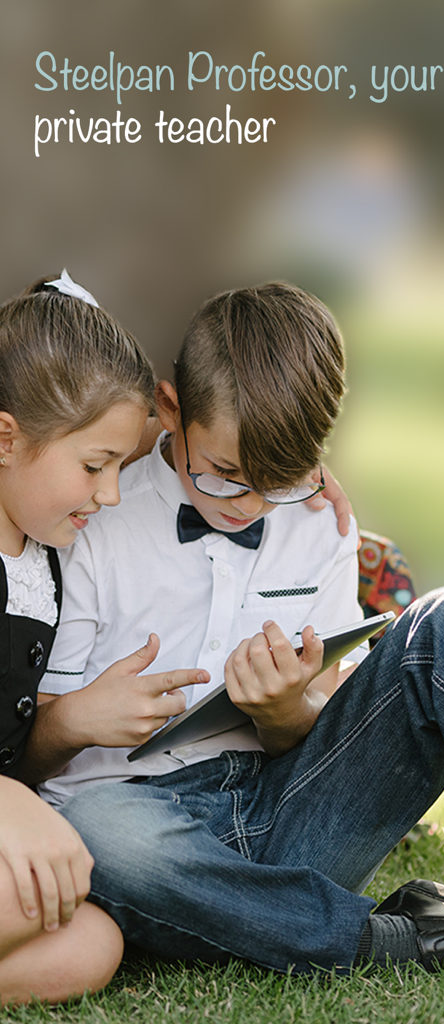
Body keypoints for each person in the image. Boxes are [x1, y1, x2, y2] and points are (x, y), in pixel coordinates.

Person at [21, 282, 444, 975]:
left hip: (287, 810)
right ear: (169, 410)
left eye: (281, 481)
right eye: (226, 476)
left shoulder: (319, 521)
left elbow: (311, 728)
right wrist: (79, 718)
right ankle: (371, 940)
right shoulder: (92, 518)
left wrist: (282, 709)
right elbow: (28, 755)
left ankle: (258, 914)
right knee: (98, 829)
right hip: (136, 828)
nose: (251, 506)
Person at [0, 270, 212, 1005]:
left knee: (92, 943)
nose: (113, 494)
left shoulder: (49, 549)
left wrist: (305, 471)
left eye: (120, 465)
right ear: (4, 437)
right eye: (95, 466)